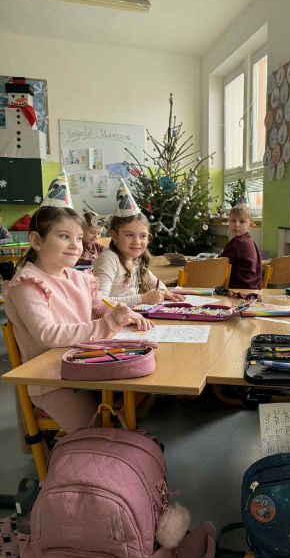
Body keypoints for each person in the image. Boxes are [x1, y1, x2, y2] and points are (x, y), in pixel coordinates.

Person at [4, 171, 151, 432]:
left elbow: (100, 305)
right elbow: (48, 335)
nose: (75, 246)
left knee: (139, 391)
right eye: (64, 236)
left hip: (84, 363)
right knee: (97, 430)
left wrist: (125, 314)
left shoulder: (78, 277)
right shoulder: (28, 283)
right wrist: (107, 324)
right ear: (36, 240)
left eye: (79, 238)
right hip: (51, 379)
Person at [93, 178, 183, 305]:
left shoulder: (136, 259)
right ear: (114, 236)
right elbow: (99, 301)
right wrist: (142, 298)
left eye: (143, 236)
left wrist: (164, 291)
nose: (137, 241)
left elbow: (155, 283)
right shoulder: (109, 259)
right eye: (129, 235)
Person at [220, 204, 262, 289]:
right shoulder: (251, 242)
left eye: (242, 222)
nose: (236, 224)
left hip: (239, 290)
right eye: (233, 220)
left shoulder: (236, 243)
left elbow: (220, 265)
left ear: (250, 226)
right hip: (255, 289)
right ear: (229, 222)